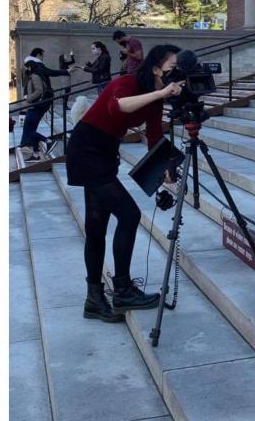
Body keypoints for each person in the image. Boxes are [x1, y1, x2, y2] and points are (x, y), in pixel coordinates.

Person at [65, 45, 183, 323]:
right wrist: (161, 93)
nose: (175, 72)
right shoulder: (127, 83)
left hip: (105, 152)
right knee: (129, 215)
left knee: (97, 226)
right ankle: (122, 289)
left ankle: (94, 299)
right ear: (156, 69)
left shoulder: (156, 101)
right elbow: (118, 106)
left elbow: (154, 136)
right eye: (171, 66)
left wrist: (165, 168)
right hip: (87, 149)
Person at [20, 48, 72, 162]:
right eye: (42, 55)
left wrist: (28, 99)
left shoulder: (34, 74)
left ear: (29, 66)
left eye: (25, 67)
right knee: (31, 129)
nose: (24, 69)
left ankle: (48, 141)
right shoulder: (35, 72)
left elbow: (39, 90)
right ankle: (36, 154)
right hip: (38, 103)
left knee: (29, 130)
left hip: (37, 104)